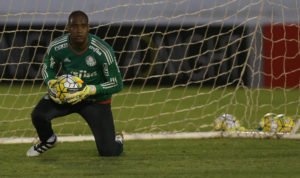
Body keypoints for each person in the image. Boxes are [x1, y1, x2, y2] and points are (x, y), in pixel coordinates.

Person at [26, 10, 124, 157]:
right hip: (67, 95)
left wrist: (89, 90)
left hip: (95, 100)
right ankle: (48, 140)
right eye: (75, 26)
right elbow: (48, 67)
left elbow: (117, 83)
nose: (79, 30)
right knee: (38, 115)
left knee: (108, 152)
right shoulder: (57, 46)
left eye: (83, 26)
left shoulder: (103, 50)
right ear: (68, 28)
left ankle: (117, 140)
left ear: (88, 28)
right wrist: (51, 82)